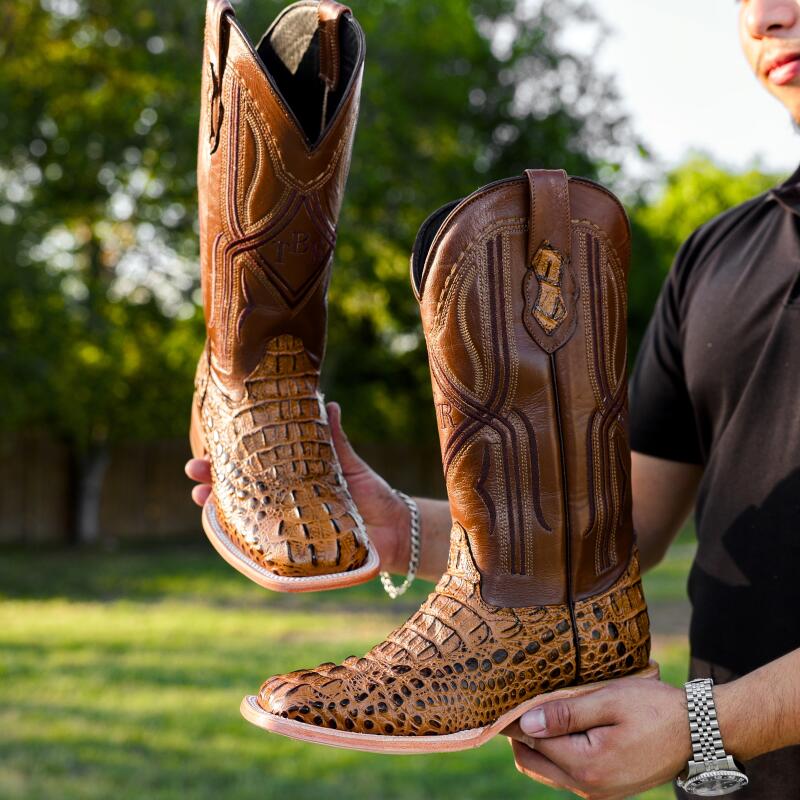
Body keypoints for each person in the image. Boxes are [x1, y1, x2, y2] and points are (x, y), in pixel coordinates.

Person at [187, 0, 800, 795]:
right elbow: (618, 531)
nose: (763, 16)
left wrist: (707, 724)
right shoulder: (723, 255)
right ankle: (244, 372)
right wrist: (404, 528)